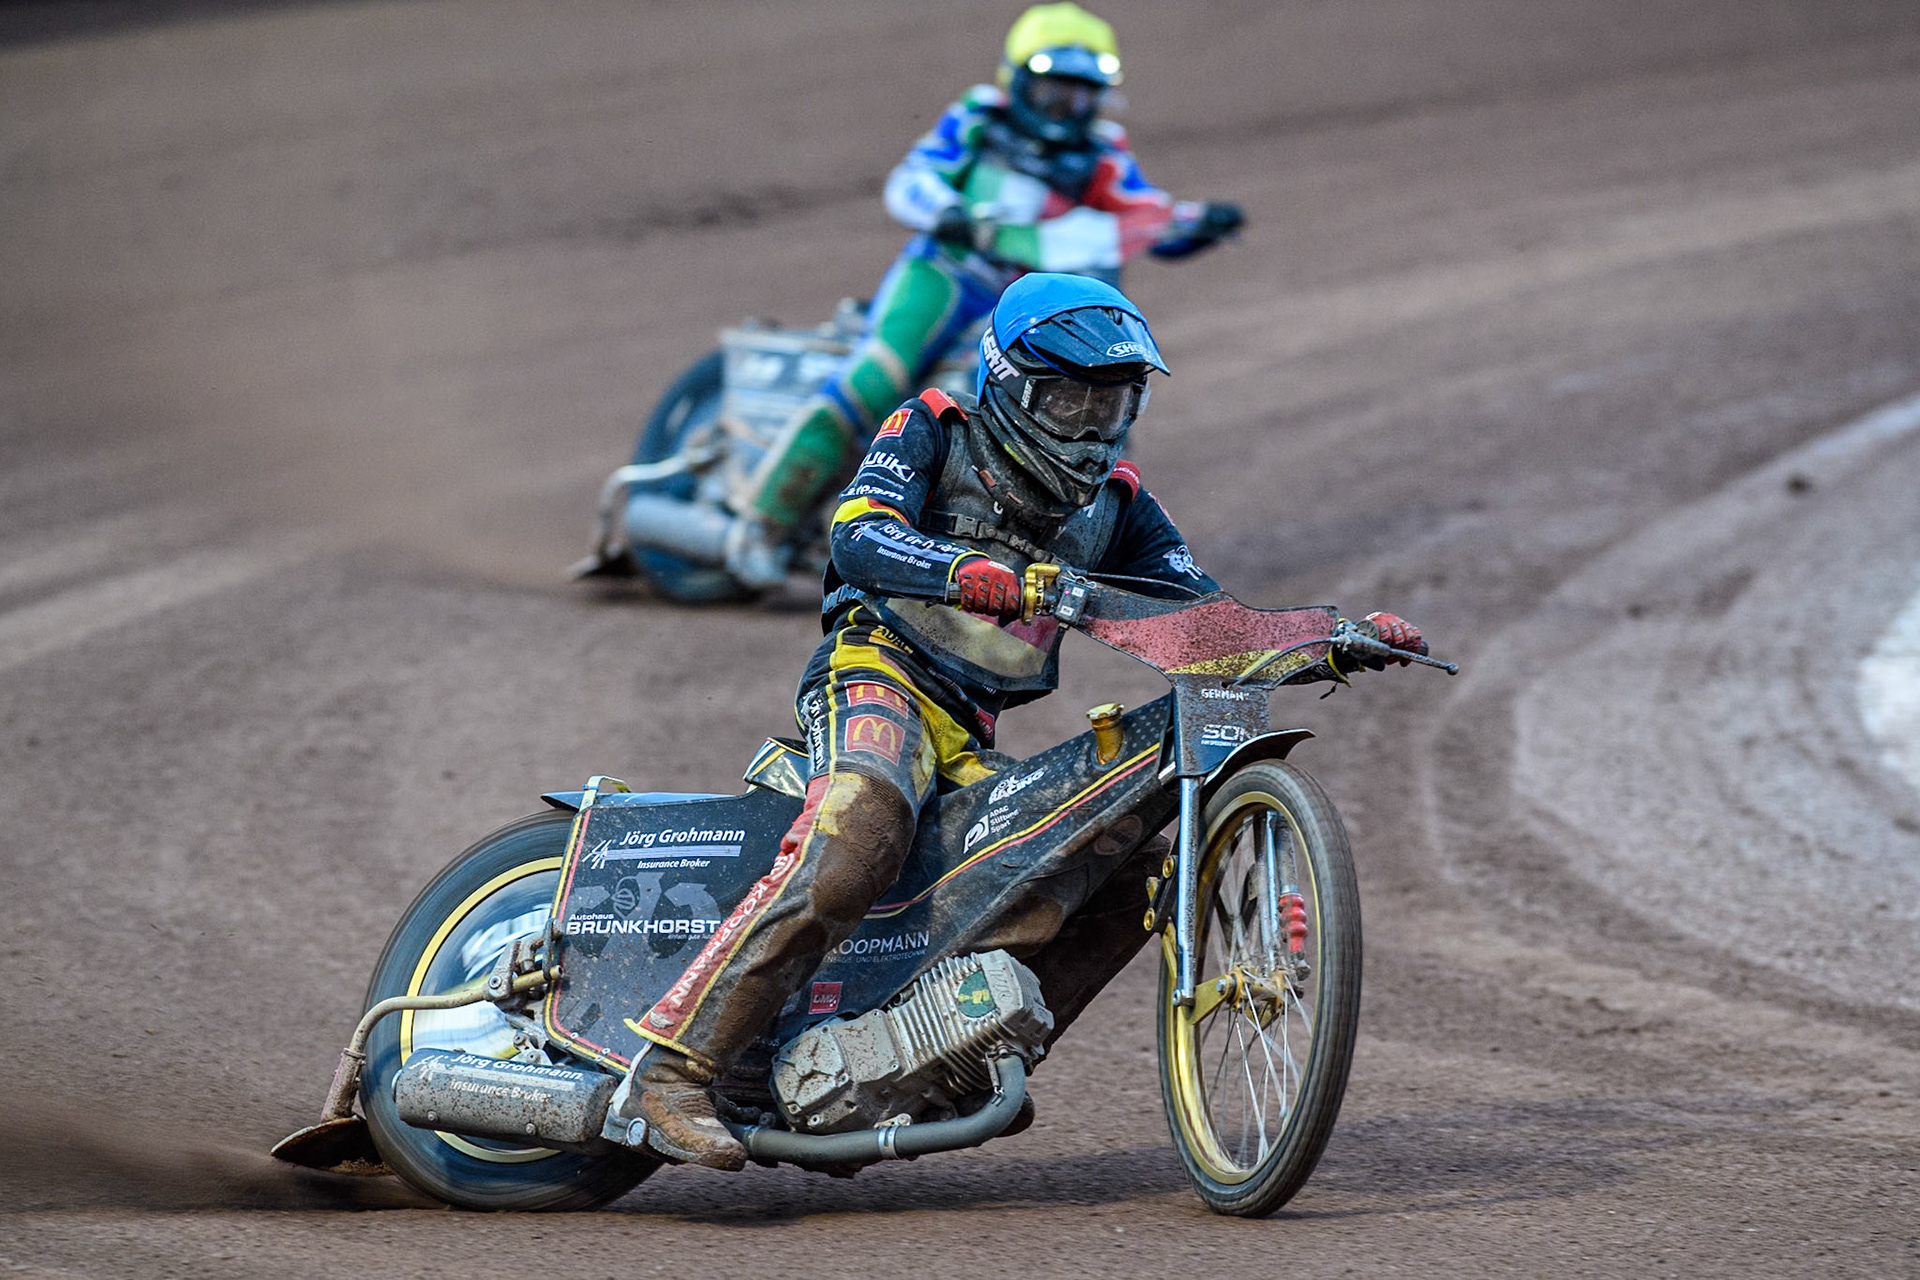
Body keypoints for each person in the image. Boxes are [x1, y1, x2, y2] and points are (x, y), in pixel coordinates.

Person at [613, 273, 1427, 1169]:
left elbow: (1205, 624)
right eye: (1068, 398)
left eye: (1111, 402)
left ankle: (950, 1060)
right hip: (875, 675)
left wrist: (1327, 639)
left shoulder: (1117, 505)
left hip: (970, 731)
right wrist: (959, 569)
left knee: (1120, 865)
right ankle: (673, 1067)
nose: (1089, 426)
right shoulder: (932, 428)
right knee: (863, 823)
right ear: (1007, 384)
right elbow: (857, 536)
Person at [723, 2, 1245, 583]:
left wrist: (1198, 224)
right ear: (1018, 80)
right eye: (1052, 90)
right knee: (874, 380)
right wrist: (947, 211)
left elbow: (1144, 216)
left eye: (1080, 93)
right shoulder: (977, 121)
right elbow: (912, 179)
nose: (1065, 107)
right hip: (948, 274)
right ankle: (760, 523)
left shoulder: (1103, 155)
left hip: (1022, 304)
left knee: (1057, 406)